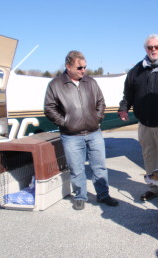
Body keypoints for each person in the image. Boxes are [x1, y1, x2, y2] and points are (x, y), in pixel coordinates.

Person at [44, 50, 118, 210]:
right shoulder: (55, 85)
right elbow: (49, 109)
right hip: (71, 136)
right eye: (79, 68)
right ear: (68, 66)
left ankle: (103, 195)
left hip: (94, 133)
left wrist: (97, 118)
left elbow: (101, 102)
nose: (83, 70)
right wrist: (65, 122)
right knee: (76, 168)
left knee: (99, 167)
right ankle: (80, 196)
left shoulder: (90, 82)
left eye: (84, 67)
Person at [118, 34, 158, 201]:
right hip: (145, 124)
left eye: (156, 47)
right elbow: (128, 94)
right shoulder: (136, 71)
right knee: (150, 158)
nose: (153, 50)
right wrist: (124, 108)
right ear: (146, 49)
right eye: (150, 47)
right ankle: (153, 188)